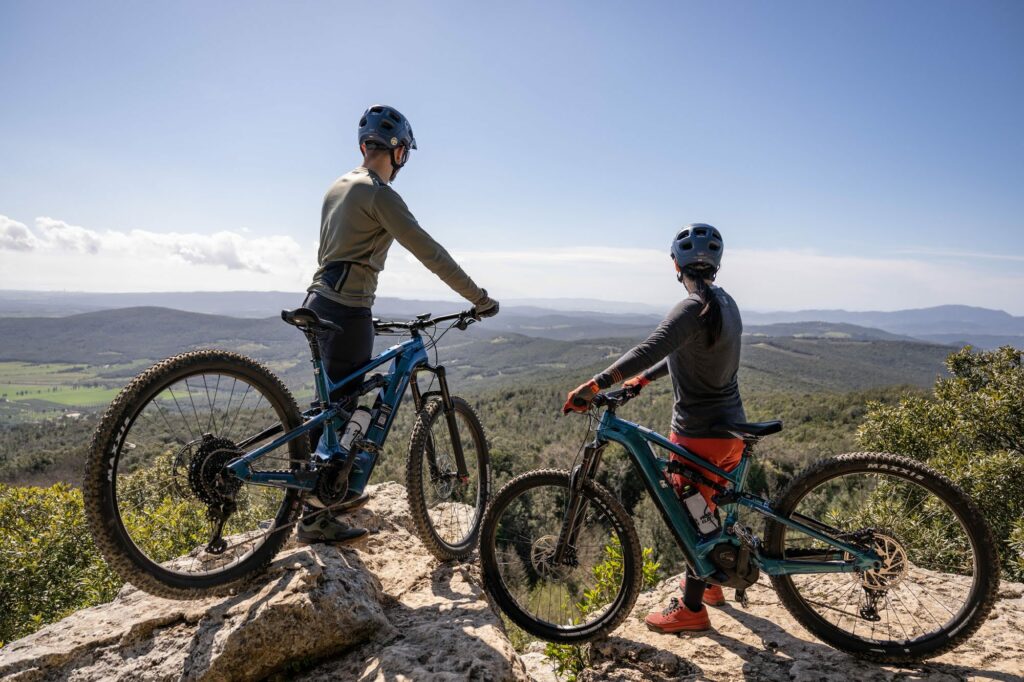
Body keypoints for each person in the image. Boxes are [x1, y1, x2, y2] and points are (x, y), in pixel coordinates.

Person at [297, 105, 499, 544]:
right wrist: (478, 299)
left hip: (319, 300)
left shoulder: (338, 185)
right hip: (349, 309)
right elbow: (431, 253)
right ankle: (316, 517)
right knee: (348, 407)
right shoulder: (378, 193)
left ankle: (323, 493)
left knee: (330, 409)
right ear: (398, 150)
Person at [562, 223, 744, 633]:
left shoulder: (691, 305)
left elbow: (651, 348)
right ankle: (712, 583)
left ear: (676, 265)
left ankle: (692, 610)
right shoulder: (724, 302)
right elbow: (684, 351)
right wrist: (644, 381)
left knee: (689, 513)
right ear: (716, 265)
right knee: (708, 506)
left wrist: (595, 385)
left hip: (699, 432)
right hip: (731, 430)